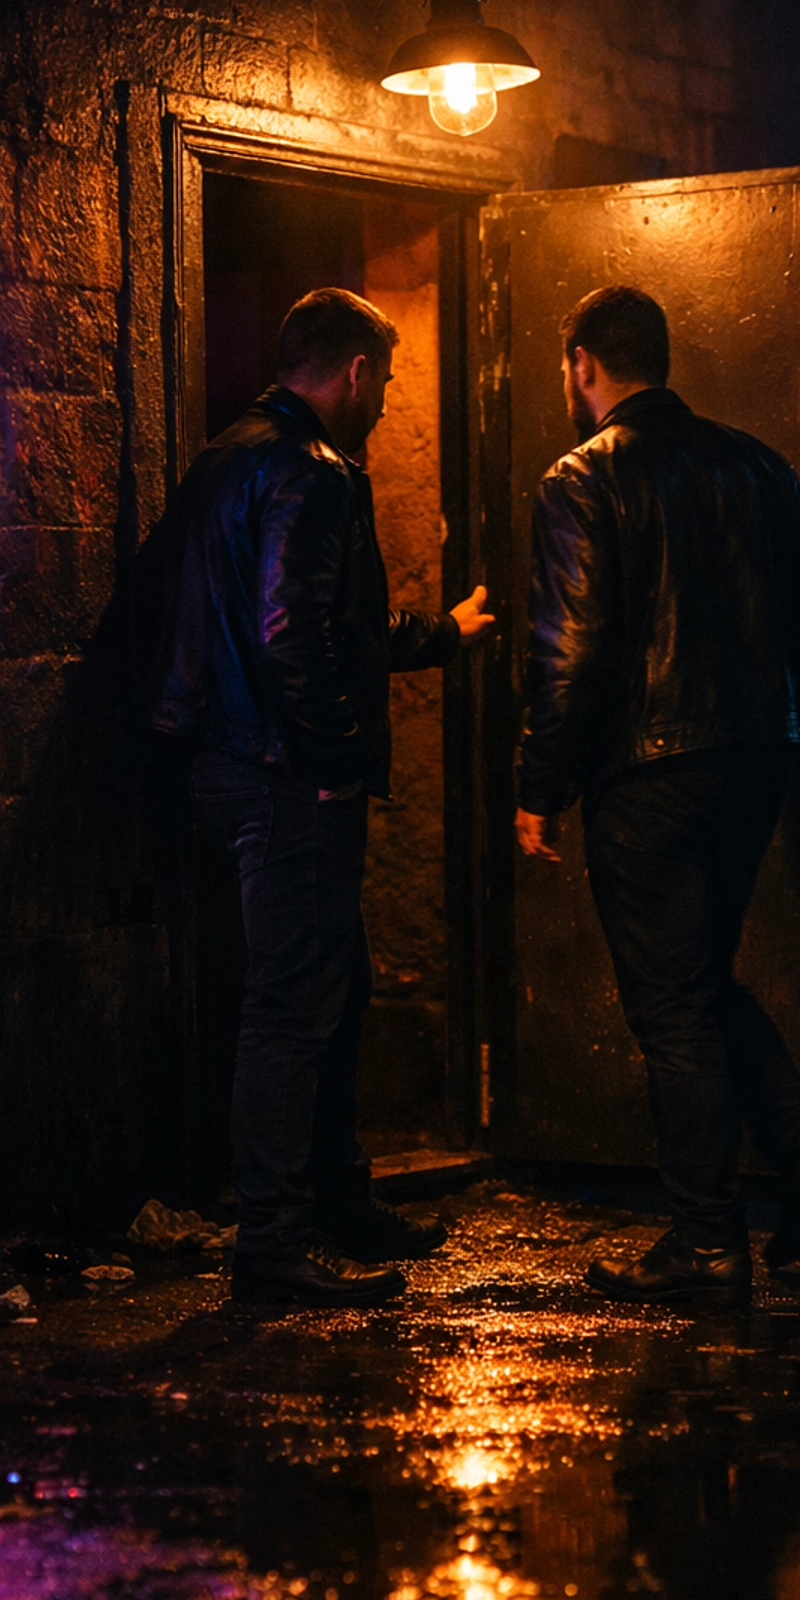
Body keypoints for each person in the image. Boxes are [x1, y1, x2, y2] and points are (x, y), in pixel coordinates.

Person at [515, 285, 800, 1303]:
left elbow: (570, 653)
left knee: (671, 1005)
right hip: (758, 759)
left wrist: (541, 783)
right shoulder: (758, 465)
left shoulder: (581, 479)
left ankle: (708, 1243)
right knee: (700, 982)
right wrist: (770, 695)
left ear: (583, 363)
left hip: (650, 770)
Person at [148, 286, 493, 1306]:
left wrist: (436, 636)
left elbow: (309, 623)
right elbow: (295, 636)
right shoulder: (313, 472)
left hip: (228, 759)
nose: (386, 400)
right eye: (383, 379)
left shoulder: (228, 454)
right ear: (353, 373)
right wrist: (337, 758)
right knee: (295, 1004)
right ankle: (274, 1244)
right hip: (285, 772)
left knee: (330, 989)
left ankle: (339, 1206)